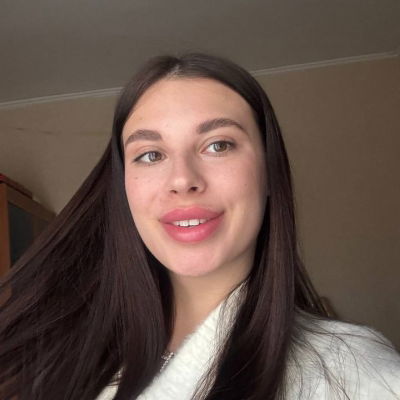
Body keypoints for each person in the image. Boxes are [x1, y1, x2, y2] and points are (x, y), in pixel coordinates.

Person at [0, 53, 399, 400]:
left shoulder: (357, 374)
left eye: (218, 145)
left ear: (269, 172)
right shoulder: (70, 350)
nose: (182, 179)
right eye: (150, 154)